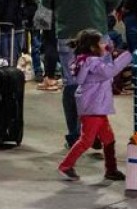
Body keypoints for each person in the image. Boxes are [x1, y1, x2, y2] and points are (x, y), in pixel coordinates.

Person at [40, 0, 121, 152]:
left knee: (72, 84)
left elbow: (45, 2)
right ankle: (96, 133)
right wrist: (102, 11)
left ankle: (75, 134)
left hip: (68, 35)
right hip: (97, 33)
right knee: (98, 84)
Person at [55, 29, 131, 183]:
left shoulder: (87, 61)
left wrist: (109, 52)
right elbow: (109, 71)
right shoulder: (93, 63)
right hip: (93, 108)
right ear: (92, 47)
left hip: (96, 107)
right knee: (87, 140)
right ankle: (66, 166)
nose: (105, 44)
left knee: (108, 139)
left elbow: (104, 66)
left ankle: (111, 170)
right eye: (101, 43)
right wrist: (127, 55)